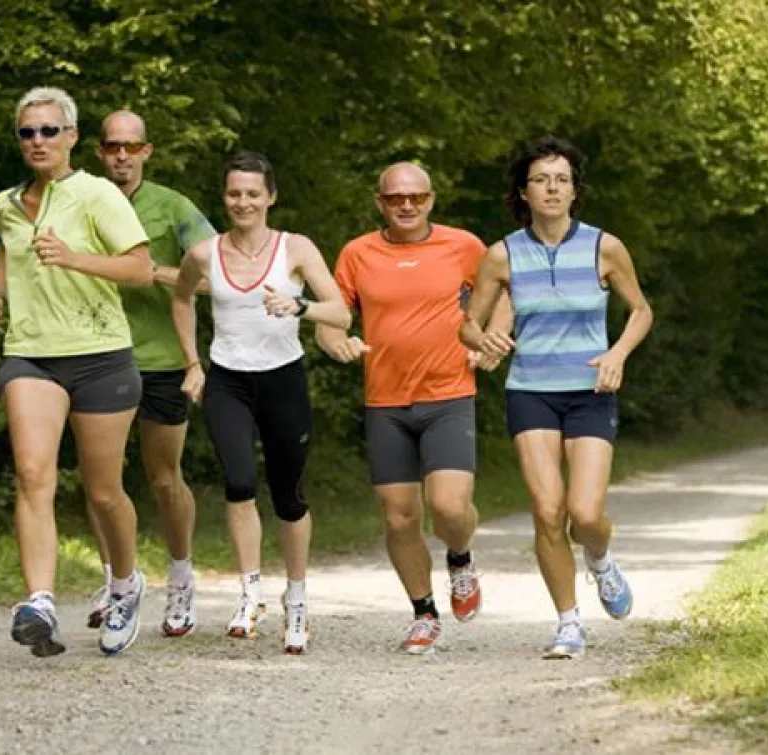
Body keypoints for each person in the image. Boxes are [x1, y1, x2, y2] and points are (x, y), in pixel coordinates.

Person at [0, 87, 154, 658]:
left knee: (103, 494)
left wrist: (74, 258)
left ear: (73, 137)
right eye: (28, 132)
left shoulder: (96, 195)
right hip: (30, 353)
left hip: (101, 355)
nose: (38, 142)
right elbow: (9, 247)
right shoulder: (7, 201)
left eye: (50, 131)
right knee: (32, 475)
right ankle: (40, 602)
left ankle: (125, 585)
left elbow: (141, 269)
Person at [459, 135, 654, 659]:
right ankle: (568, 622)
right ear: (523, 191)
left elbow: (641, 311)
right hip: (531, 393)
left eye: (561, 180)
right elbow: (468, 328)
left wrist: (616, 354)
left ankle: (601, 559)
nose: (552, 188)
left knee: (585, 514)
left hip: (590, 390)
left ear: (574, 190)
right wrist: (486, 341)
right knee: (547, 511)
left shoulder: (603, 247)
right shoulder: (502, 254)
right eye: (541, 180)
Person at [317, 162, 507, 656]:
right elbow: (333, 314)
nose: (406, 205)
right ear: (380, 202)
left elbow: (505, 289)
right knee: (399, 518)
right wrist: (335, 341)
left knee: (447, 507)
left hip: (447, 395)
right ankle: (423, 613)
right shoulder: (358, 253)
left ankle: (461, 560)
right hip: (386, 402)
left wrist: (492, 338)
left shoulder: (463, 245)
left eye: (416, 198)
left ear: (431, 200)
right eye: (396, 198)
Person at [172, 150, 351, 654]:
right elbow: (182, 297)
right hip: (228, 380)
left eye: (253, 193)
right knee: (238, 480)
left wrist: (301, 306)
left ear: (270, 196)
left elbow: (341, 313)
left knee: (288, 494)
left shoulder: (295, 248)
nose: (243, 202)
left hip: (282, 380)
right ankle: (250, 593)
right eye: (234, 194)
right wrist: (191, 362)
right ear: (224, 197)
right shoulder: (205, 253)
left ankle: (297, 600)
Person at [81, 110, 218, 637]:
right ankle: (116, 579)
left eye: (130, 146)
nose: (121, 155)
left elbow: (216, 275)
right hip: (95, 354)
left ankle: (181, 577)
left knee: (164, 479)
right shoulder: (83, 200)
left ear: (146, 151)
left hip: (160, 359)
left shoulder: (172, 206)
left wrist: (154, 273)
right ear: (99, 152)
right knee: (101, 484)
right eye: (112, 146)